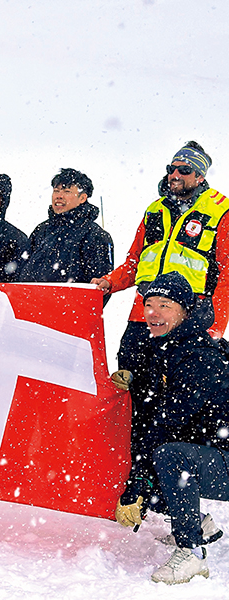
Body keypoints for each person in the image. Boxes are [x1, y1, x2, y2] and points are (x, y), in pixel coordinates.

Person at [92, 141, 229, 419]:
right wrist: (109, 282)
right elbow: (134, 263)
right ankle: (131, 455)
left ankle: (169, 456)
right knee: (130, 390)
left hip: (187, 321)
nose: (175, 175)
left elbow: (226, 275)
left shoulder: (220, 210)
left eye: (185, 170)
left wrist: (215, 326)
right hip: (141, 318)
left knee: (176, 399)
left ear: (200, 176)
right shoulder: (154, 209)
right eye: (171, 169)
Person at [113, 272, 229, 585]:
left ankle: (192, 553)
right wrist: (133, 387)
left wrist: (136, 484)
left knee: (169, 456)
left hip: (224, 459)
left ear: (185, 310)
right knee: (155, 458)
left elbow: (168, 421)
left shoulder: (199, 355)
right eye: (148, 304)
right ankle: (200, 525)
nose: (153, 312)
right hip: (215, 451)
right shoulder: (171, 346)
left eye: (164, 305)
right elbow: (154, 412)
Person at [19, 168, 113, 285]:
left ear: (82, 198)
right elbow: (20, 270)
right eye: (56, 191)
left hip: (70, 302)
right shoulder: (41, 230)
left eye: (66, 191)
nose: (59, 196)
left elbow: (101, 286)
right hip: (29, 301)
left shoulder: (96, 235)